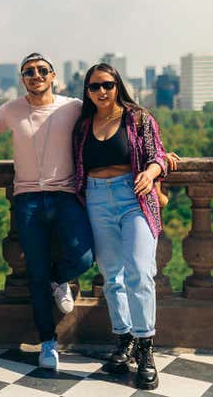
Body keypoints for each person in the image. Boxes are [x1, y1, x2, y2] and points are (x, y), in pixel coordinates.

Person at [72, 62, 172, 391]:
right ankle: (124, 338)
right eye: (94, 87)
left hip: (134, 197)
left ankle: (146, 349)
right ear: (87, 91)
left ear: (118, 86)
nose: (102, 91)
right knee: (111, 274)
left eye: (108, 85)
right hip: (97, 200)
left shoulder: (137, 117)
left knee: (140, 272)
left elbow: (155, 152)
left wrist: (155, 169)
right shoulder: (83, 125)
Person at [0, 52, 94, 370]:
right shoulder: (9, 110)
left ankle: (59, 278)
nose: (35, 75)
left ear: (53, 76)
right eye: (28, 72)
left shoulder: (73, 107)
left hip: (65, 196)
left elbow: (112, 120)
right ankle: (48, 342)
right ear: (22, 79)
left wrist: (155, 156)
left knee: (84, 257)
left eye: (42, 70)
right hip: (28, 200)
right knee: (35, 274)